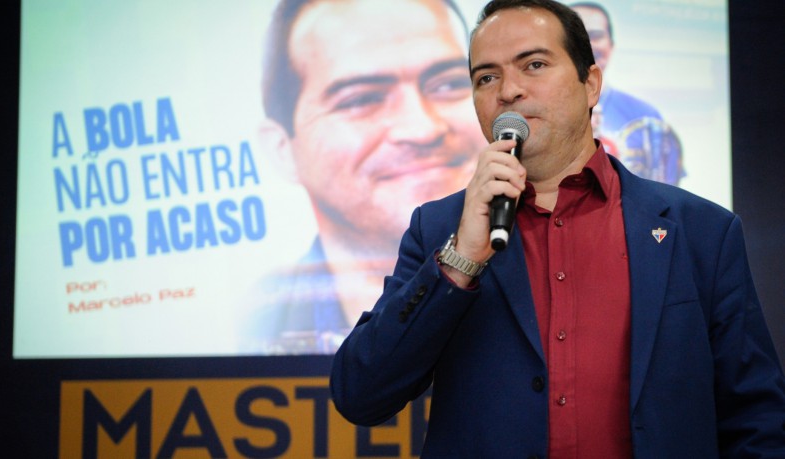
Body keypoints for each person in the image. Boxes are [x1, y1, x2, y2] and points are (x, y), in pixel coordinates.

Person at [331, 0, 785, 457]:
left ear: (591, 84)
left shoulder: (701, 231)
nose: (508, 90)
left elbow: (756, 418)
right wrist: (461, 261)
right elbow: (361, 395)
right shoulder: (439, 230)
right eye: (486, 77)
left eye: (534, 64)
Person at [243, 0, 487, 354]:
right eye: (361, 100)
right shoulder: (257, 321)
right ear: (283, 149)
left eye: (448, 84)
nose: (421, 129)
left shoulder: (547, 267)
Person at [570, 1, 685, 185]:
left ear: (611, 46)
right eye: (577, 38)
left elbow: (666, 185)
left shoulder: (646, 117)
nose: (588, 45)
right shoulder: (539, 114)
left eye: (596, 36)